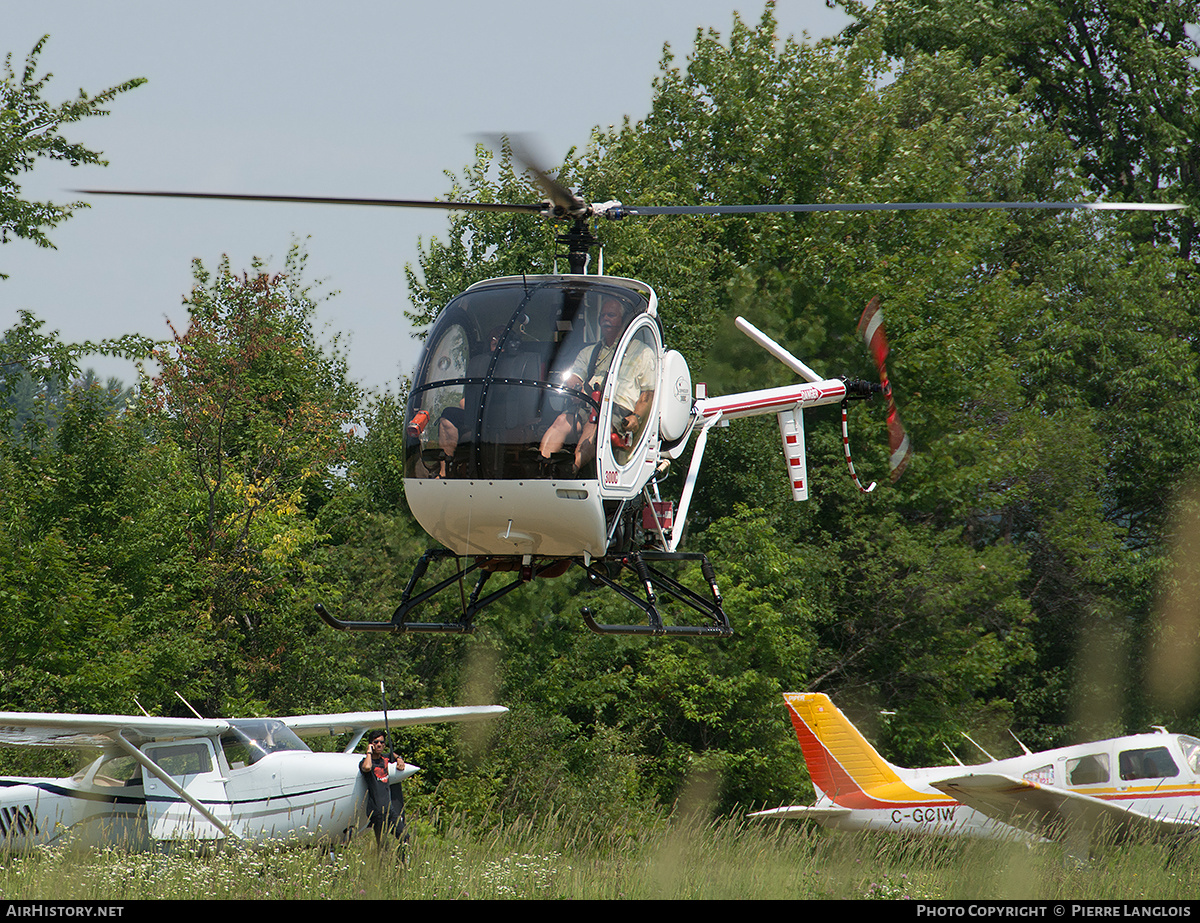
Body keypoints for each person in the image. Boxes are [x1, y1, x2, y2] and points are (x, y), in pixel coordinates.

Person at [539, 297, 654, 472]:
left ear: (623, 321)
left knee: (593, 426)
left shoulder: (642, 352)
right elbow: (576, 376)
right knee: (562, 421)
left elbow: (647, 394)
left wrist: (636, 417)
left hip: (618, 408)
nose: (605, 319)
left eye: (611, 315)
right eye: (602, 316)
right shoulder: (589, 352)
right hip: (589, 402)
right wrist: (572, 385)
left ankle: (572, 468)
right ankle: (542, 466)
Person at [359, 729, 406, 848]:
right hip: (376, 811)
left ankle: (402, 864)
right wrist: (369, 752)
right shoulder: (365, 762)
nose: (379, 745)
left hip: (390, 810)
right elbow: (367, 767)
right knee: (383, 844)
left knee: (404, 837)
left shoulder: (384, 758)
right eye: (376, 742)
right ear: (371, 744)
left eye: (382, 742)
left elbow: (392, 755)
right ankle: (381, 865)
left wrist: (399, 758)